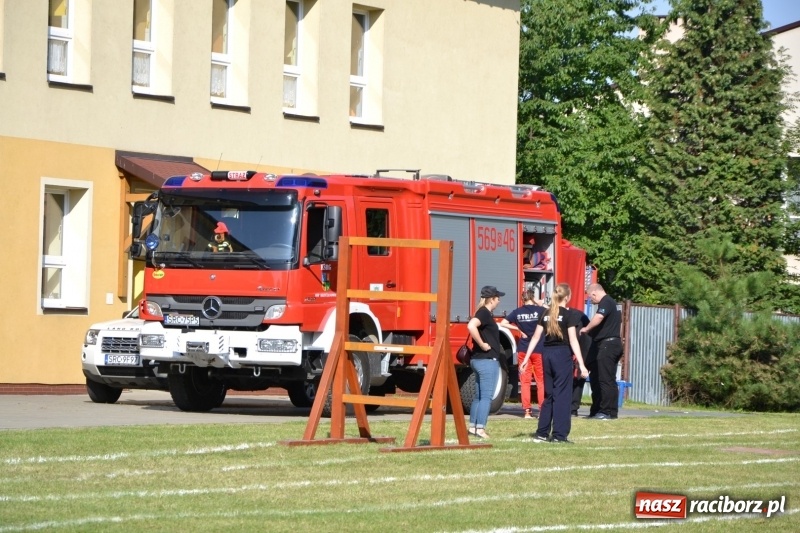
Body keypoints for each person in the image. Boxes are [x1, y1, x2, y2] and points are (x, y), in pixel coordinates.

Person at [521, 283, 589, 443]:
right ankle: (559, 435)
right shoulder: (568, 315)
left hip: (546, 355)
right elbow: (573, 340)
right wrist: (582, 364)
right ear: (567, 297)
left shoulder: (545, 313)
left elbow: (536, 338)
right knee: (563, 395)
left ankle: (542, 433)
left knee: (549, 394)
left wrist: (525, 359)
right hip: (562, 355)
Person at [466, 285, 506, 439]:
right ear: (491, 299)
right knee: (486, 397)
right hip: (487, 360)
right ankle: (481, 428)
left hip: (477, 360)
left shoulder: (483, 312)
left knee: (479, 396)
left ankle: (473, 427)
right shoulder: (484, 313)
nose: (499, 301)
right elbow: (471, 326)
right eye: (497, 298)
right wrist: (483, 344)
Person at [580, 283, 623, 420]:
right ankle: (606, 411)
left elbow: (599, 317)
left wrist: (586, 329)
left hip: (608, 345)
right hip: (612, 344)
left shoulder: (606, 302)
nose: (591, 301)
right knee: (605, 379)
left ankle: (605, 412)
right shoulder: (613, 303)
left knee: (605, 380)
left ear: (594, 293)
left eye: (590, 298)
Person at [500, 289, 545, 419]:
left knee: (525, 381)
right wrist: (540, 303)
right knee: (540, 381)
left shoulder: (517, 312)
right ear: (533, 297)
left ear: (522, 299)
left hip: (523, 350)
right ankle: (542, 410)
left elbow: (503, 323)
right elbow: (553, 311)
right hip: (539, 349)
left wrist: (518, 328)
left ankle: (527, 411)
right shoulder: (540, 311)